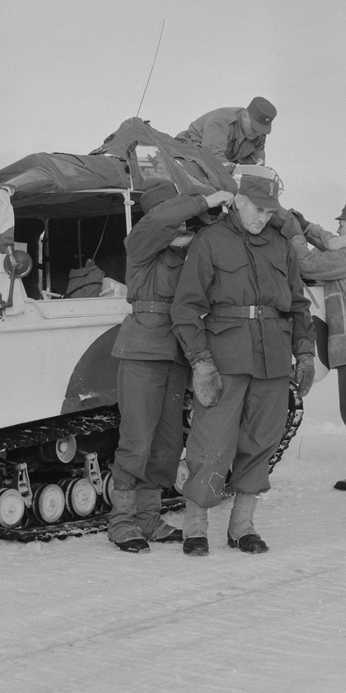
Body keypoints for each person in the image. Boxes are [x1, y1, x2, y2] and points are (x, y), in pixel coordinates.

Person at [170, 166, 315, 556]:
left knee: (261, 442)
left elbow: (299, 304)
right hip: (225, 359)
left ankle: (242, 526)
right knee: (211, 443)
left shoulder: (281, 245)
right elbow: (185, 308)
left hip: (272, 358)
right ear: (237, 200)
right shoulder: (210, 241)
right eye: (256, 209)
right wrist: (200, 361)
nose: (262, 218)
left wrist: (304, 352)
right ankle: (195, 526)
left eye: (270, 212)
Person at [107, 180, 234, 553]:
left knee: (166, 443)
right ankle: (121, 521)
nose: (184, 224)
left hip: (176, 352)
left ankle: (147, 517)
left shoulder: (187, 251)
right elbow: (161, 222)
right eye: (179, 213)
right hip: (143, 350)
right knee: (136, 441)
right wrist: (203, 201)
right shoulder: (143, 244)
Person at [282, 203, 346, 492]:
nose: (338, 226)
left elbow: (308, 265)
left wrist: (295, 236)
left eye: (343, 223)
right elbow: (331, 242)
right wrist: (308, 227)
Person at [175, 97, 277, 166]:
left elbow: (255, 167)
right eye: (254, 127)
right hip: (189, 153)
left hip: (219, 164)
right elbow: (213, 156)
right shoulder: (221, 119)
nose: (257, 133)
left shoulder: (259, 135)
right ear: (245, 115)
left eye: (261, 130)